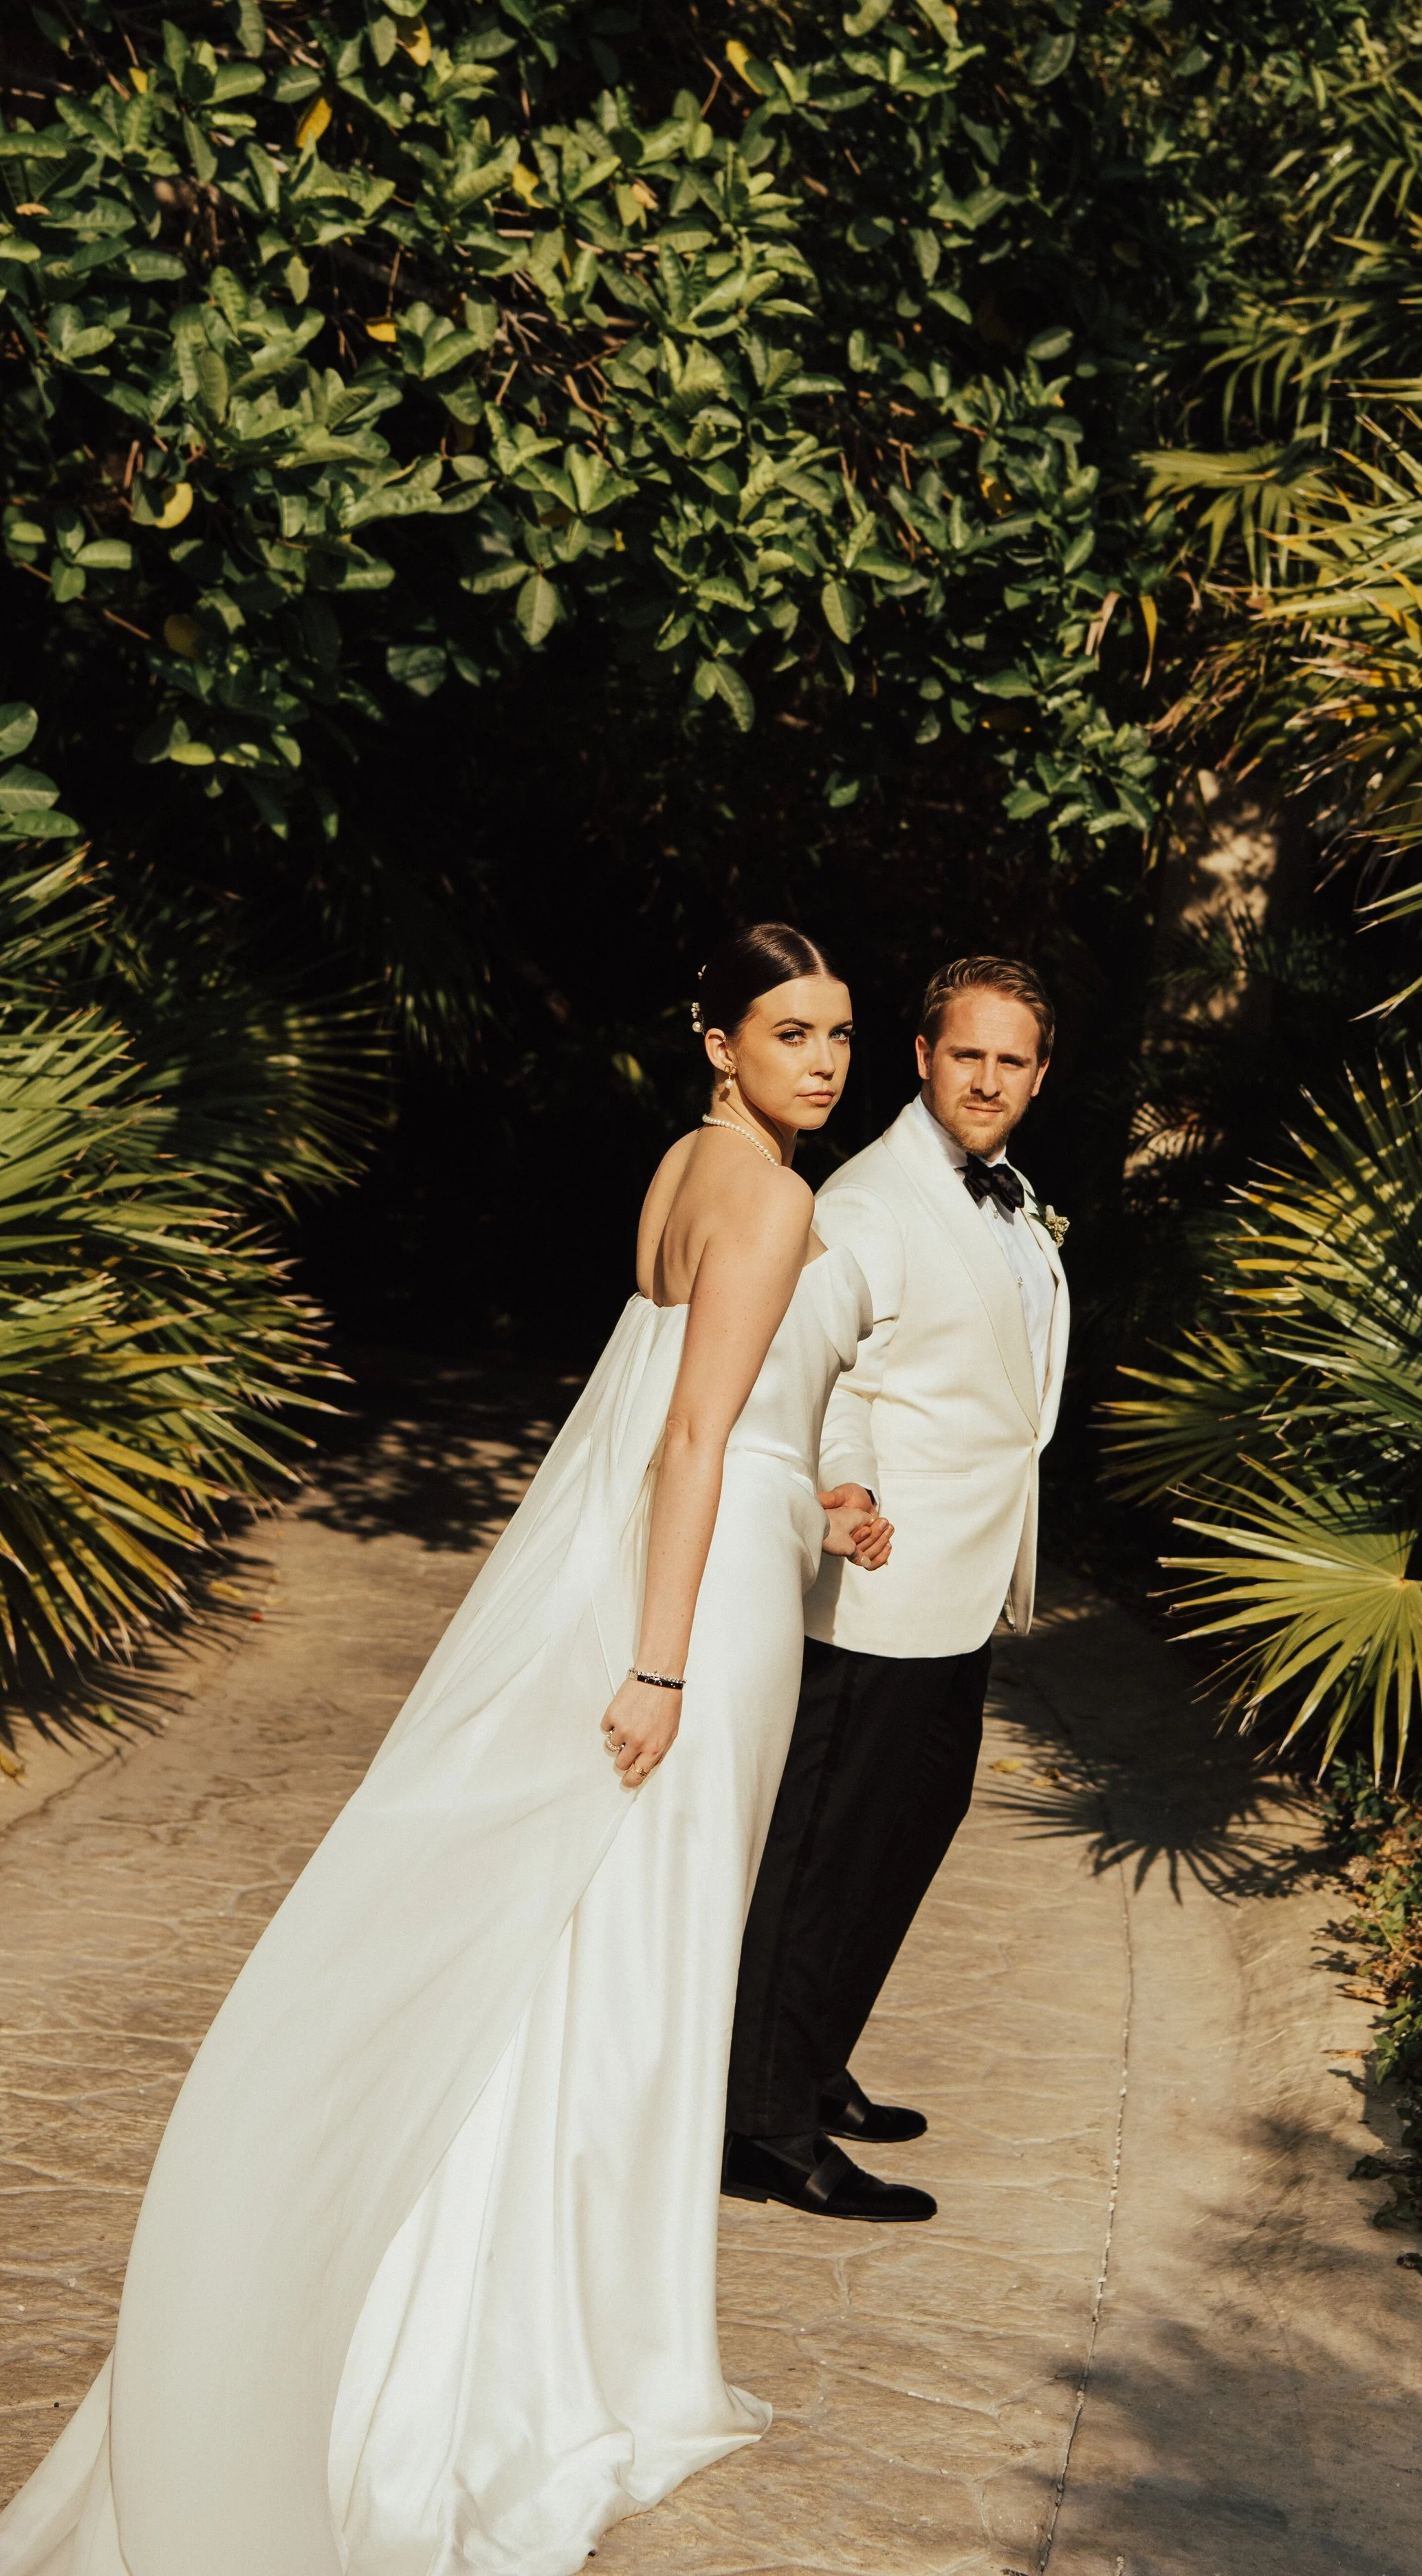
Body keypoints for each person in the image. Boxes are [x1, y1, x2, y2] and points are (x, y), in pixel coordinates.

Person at [0, 924, 895, 2576]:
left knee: (594, 1942)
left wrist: (811, 1491)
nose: (826, 1061)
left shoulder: (684, 1166)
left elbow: (685, 1401)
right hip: (697, 1606)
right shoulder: (768, 1197)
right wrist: (659, 1662)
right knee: (653, 1956)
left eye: (840, 1031)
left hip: (686, 1560)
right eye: (791, 1031)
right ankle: (580, 2348)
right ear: (718, 1041)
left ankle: (560, 2298)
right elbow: (698, 1430)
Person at [725, 954, 1068, 2222]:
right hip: (876, 1586)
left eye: (1011, 1060)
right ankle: (759, 2121)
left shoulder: (1002, 1198)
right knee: (822, 1858)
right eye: (964, 1053)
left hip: (960, 1585)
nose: (986, 1079)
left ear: (1040, 1074)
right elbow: (829, 1371)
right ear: (922, 1057)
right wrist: (847, 1487)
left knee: (902, 1839)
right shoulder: (870, 1199)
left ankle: (809, 2068)